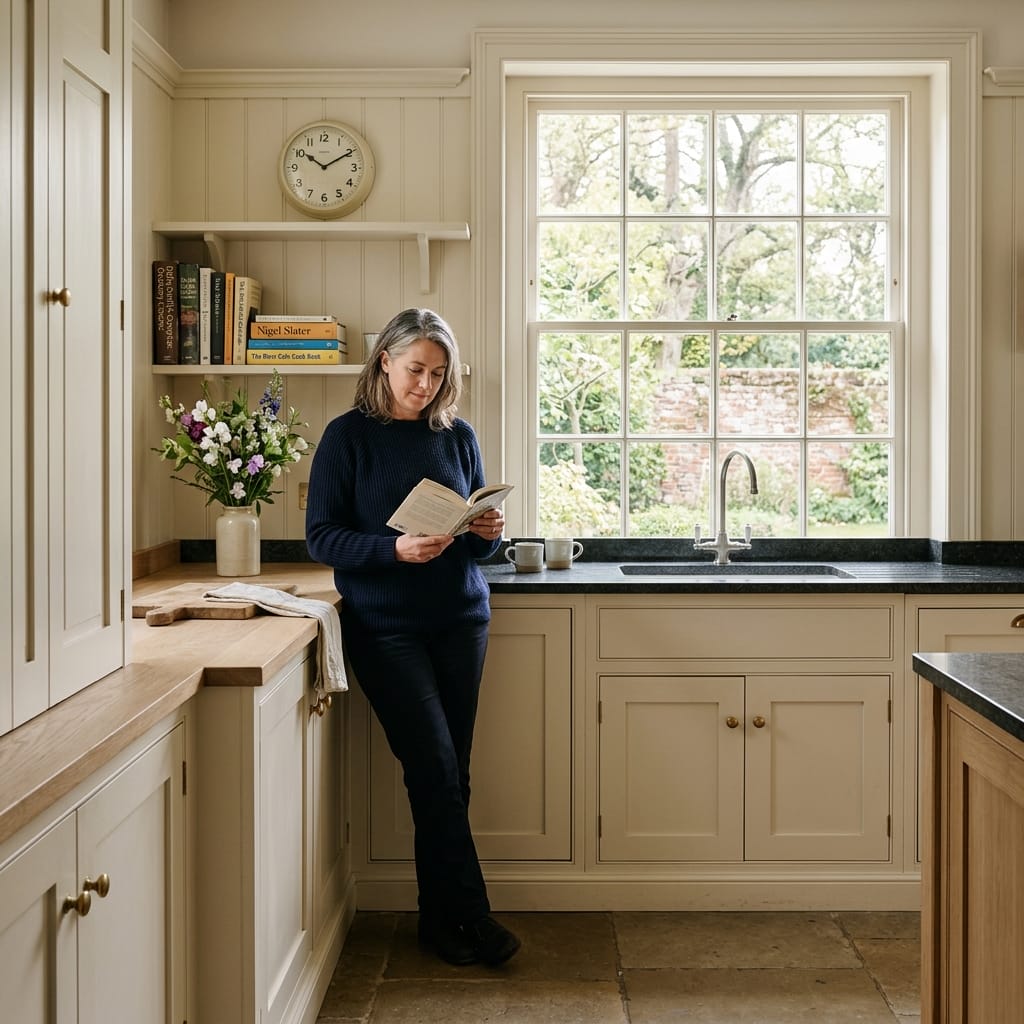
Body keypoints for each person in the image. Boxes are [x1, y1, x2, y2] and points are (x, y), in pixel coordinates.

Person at [305, 308, 521, 967]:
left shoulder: (456, 436)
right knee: (432, 766)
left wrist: (488, 534)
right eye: (415, 371)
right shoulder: (347, 438)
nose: (425, 385)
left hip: (461, 621)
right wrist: (393, 550)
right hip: (386, 628)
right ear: (384, 363)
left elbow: (482, 553)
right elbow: (322, 537)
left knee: (452, 774)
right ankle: (474, 918)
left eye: (437, 373)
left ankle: (439, 920)